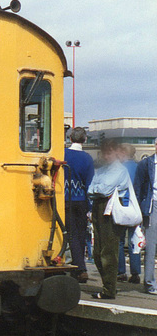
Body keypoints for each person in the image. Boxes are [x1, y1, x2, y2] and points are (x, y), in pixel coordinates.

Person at [88, 139, 133, 299]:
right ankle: (107, 286)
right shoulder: (102, 170)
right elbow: (91, 189)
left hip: (111, 210)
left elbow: (104, 188)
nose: (105, 155)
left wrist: (97, 189)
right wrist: (97, 189)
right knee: (97, 252)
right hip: (98, 208)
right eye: (104, 151)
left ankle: (109, 289)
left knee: (109, 251)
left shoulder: (119, 170)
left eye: (109, 152)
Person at [64, 127, 95, 282]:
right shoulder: (88, 158)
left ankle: (71, 265)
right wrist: (90, 208)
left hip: (64, 199)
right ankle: (80, 268)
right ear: (85, 140)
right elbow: (89, 184)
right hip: (81, 200)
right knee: (80, 235)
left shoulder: (63, 154)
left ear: (70, 138)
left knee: (67, 234)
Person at [134, 139, 157, 295]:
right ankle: (149, 283)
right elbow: (138, 187)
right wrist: (138, 211)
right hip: (152, 205)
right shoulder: (146, 164)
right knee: (151, 246)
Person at [117, 144, 141, 284]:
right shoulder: (139, 167)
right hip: (135, 208)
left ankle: (121, 272)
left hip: (122, 207)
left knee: (119, 241)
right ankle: (136, 273)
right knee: (134, 240)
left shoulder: (119, 168)